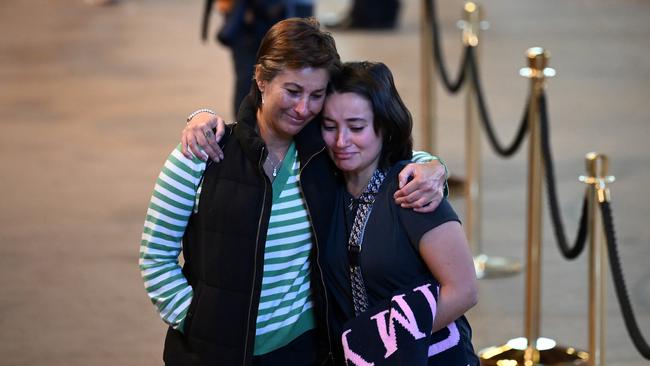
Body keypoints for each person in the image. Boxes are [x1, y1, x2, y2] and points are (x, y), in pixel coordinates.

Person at [140, 17, 447, 365]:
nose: (303, 109)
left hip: (302, 351)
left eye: (317, 95)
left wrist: (433, 166)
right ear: (261, 78)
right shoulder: (202, 155)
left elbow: (382, 154)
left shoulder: (324, 152)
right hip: (210, 352)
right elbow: (155, 257)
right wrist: (195, 320)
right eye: (292, 91)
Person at [319, 61, 479, 364]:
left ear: (384, 126)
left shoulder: (413, 190)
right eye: (329, 127)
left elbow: (465, 290)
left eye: (356, 127)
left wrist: (381, 344)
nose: (341, 141)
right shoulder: (327, 190)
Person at [201, 0, 314, 115]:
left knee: (290, 77)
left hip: (290, 10)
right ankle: (243, 127)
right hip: (245, 15)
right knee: (247, 80)